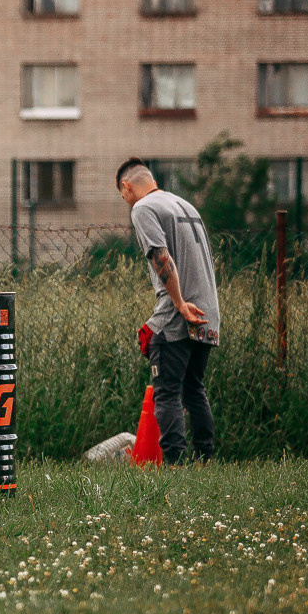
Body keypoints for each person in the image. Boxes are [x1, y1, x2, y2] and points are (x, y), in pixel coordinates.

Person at [116, 157, 221, 464]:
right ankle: (205, 460)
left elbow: (161, 257)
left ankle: (175, 465)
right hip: (208, 311)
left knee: (166, 392)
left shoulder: (143, 208)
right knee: (193, 389)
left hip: (179, 312)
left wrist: (178, 304)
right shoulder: (185, 205)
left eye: (122, 195)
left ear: (127, 186)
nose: (125, 201)